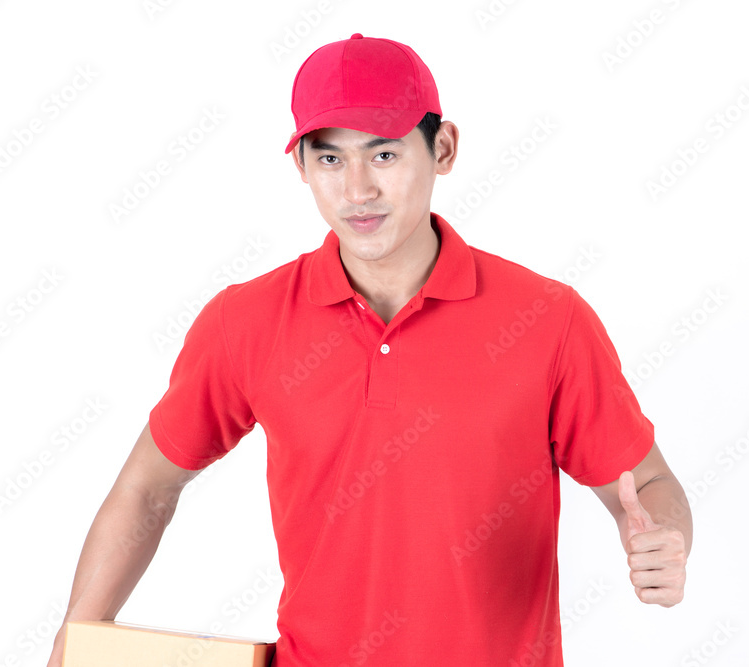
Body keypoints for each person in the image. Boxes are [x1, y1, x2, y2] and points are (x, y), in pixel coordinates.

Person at [47, 33, 692, 667]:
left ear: (442, 147)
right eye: (330, 159)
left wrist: (665, 540)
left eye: (383, 155)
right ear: (300, 165)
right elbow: (146, 491)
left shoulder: (548, 319)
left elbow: (649, 482)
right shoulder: (244, 323)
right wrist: (73, 646)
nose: (356, 190)